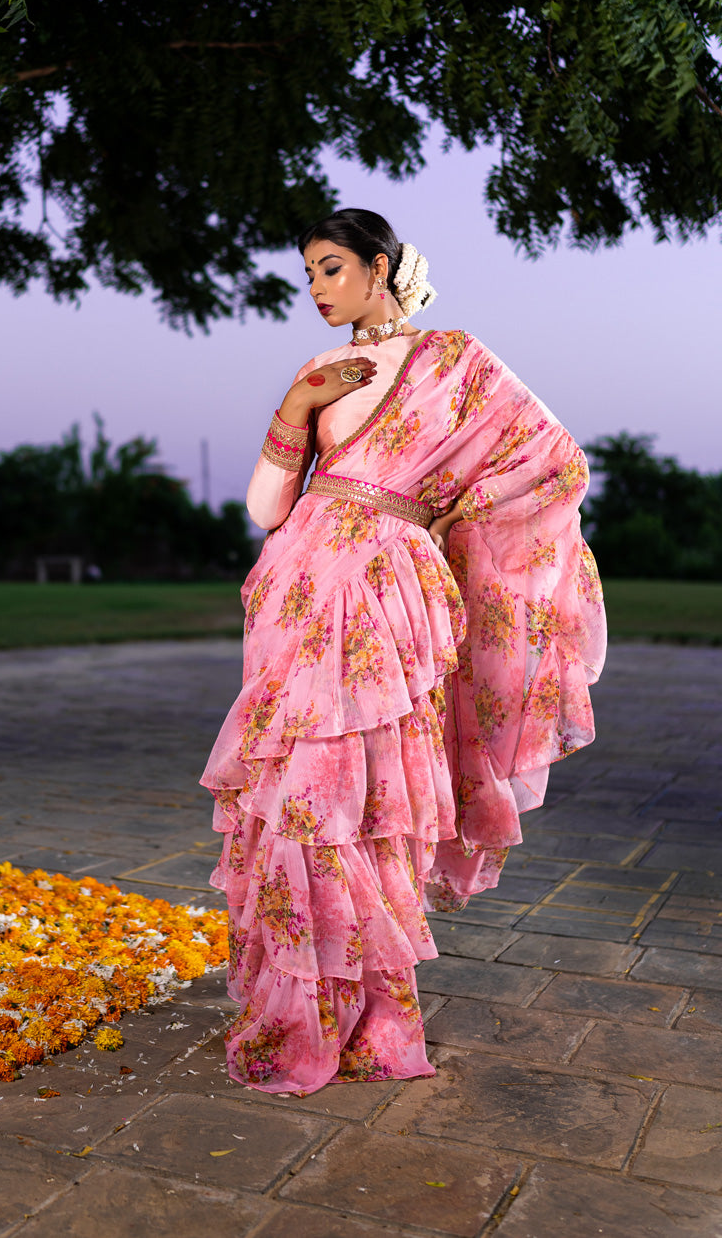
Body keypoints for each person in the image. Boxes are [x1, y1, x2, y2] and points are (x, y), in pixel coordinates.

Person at [200, 208, 607, 1096]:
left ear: (380, 266)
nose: (316, 288)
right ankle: (298, 1007)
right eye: (307, 274)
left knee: (371, 796)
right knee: (299, 791)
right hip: (299, 580)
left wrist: (461, 508)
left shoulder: (456, 361)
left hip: (393, 588)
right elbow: (267, 509)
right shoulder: (316, 370)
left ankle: (375, 1016)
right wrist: (298, 406)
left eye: (331, 268)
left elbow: (559, 463)